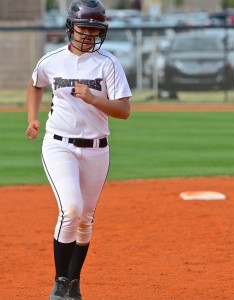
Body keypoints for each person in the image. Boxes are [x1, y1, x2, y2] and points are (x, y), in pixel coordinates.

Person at [25, 0, 132, 299]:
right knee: (70, 209)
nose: (89, 34)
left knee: (86, 217)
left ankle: (74, 283)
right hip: (59, 145)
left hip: (97, 149)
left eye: (95, 29)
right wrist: (33, 118)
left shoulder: (108, 63)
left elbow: (124, 111)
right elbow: (35, 84)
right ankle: (60, 282)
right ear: (71, 27)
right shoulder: (52, 60)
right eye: (84, 27)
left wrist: (93, 99)